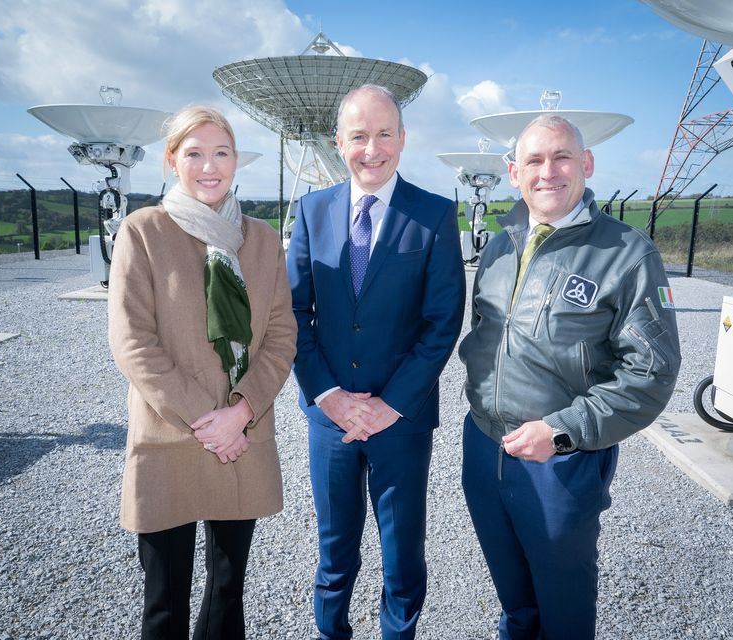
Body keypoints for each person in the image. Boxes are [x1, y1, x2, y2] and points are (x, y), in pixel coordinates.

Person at [458, 114, 681, 640]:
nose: (547, 172)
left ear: (586, 163)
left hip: (560, 460)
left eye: (561, 157)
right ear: (514, 173)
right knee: (514, 603)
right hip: (484, 447)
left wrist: (560, 431)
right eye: (533, 160)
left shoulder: (626, 253)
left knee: (563, 609)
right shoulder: (500, 243)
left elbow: (651, 372)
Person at [108, 105, 297, 640]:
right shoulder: (144, 233)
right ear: (172, 161)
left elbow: (281, 336)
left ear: (237, 160)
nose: (209, 166)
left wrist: (239, 413)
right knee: (164, 603)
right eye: (194, 153)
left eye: (221, 152)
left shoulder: (260, 241)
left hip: (244, 438)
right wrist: (207, 420)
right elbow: (132, 342)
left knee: (226, 597)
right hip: (169, 441)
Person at [286, 84, 466, 640]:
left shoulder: (434, 216)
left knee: (402, 553)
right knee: (335, 549)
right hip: (329, 417)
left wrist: (391, 404)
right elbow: (292, 313)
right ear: (339, 142)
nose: (372, 148)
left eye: (384, 133)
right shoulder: (311, 211)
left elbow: (442, 324)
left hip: (401, 421)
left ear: (402, 139)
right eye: (359, 135)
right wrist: (328, 395)